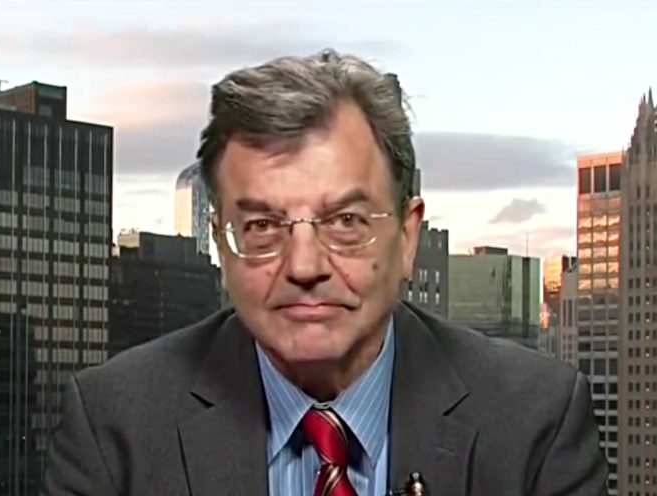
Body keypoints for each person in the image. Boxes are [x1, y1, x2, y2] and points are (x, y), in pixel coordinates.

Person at [41, 49, 608, 496]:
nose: (305, 267)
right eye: (262, 226)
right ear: (221, 245)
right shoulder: (114, 427)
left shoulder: (536, 421)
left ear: (407, 237)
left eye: (345, 221)